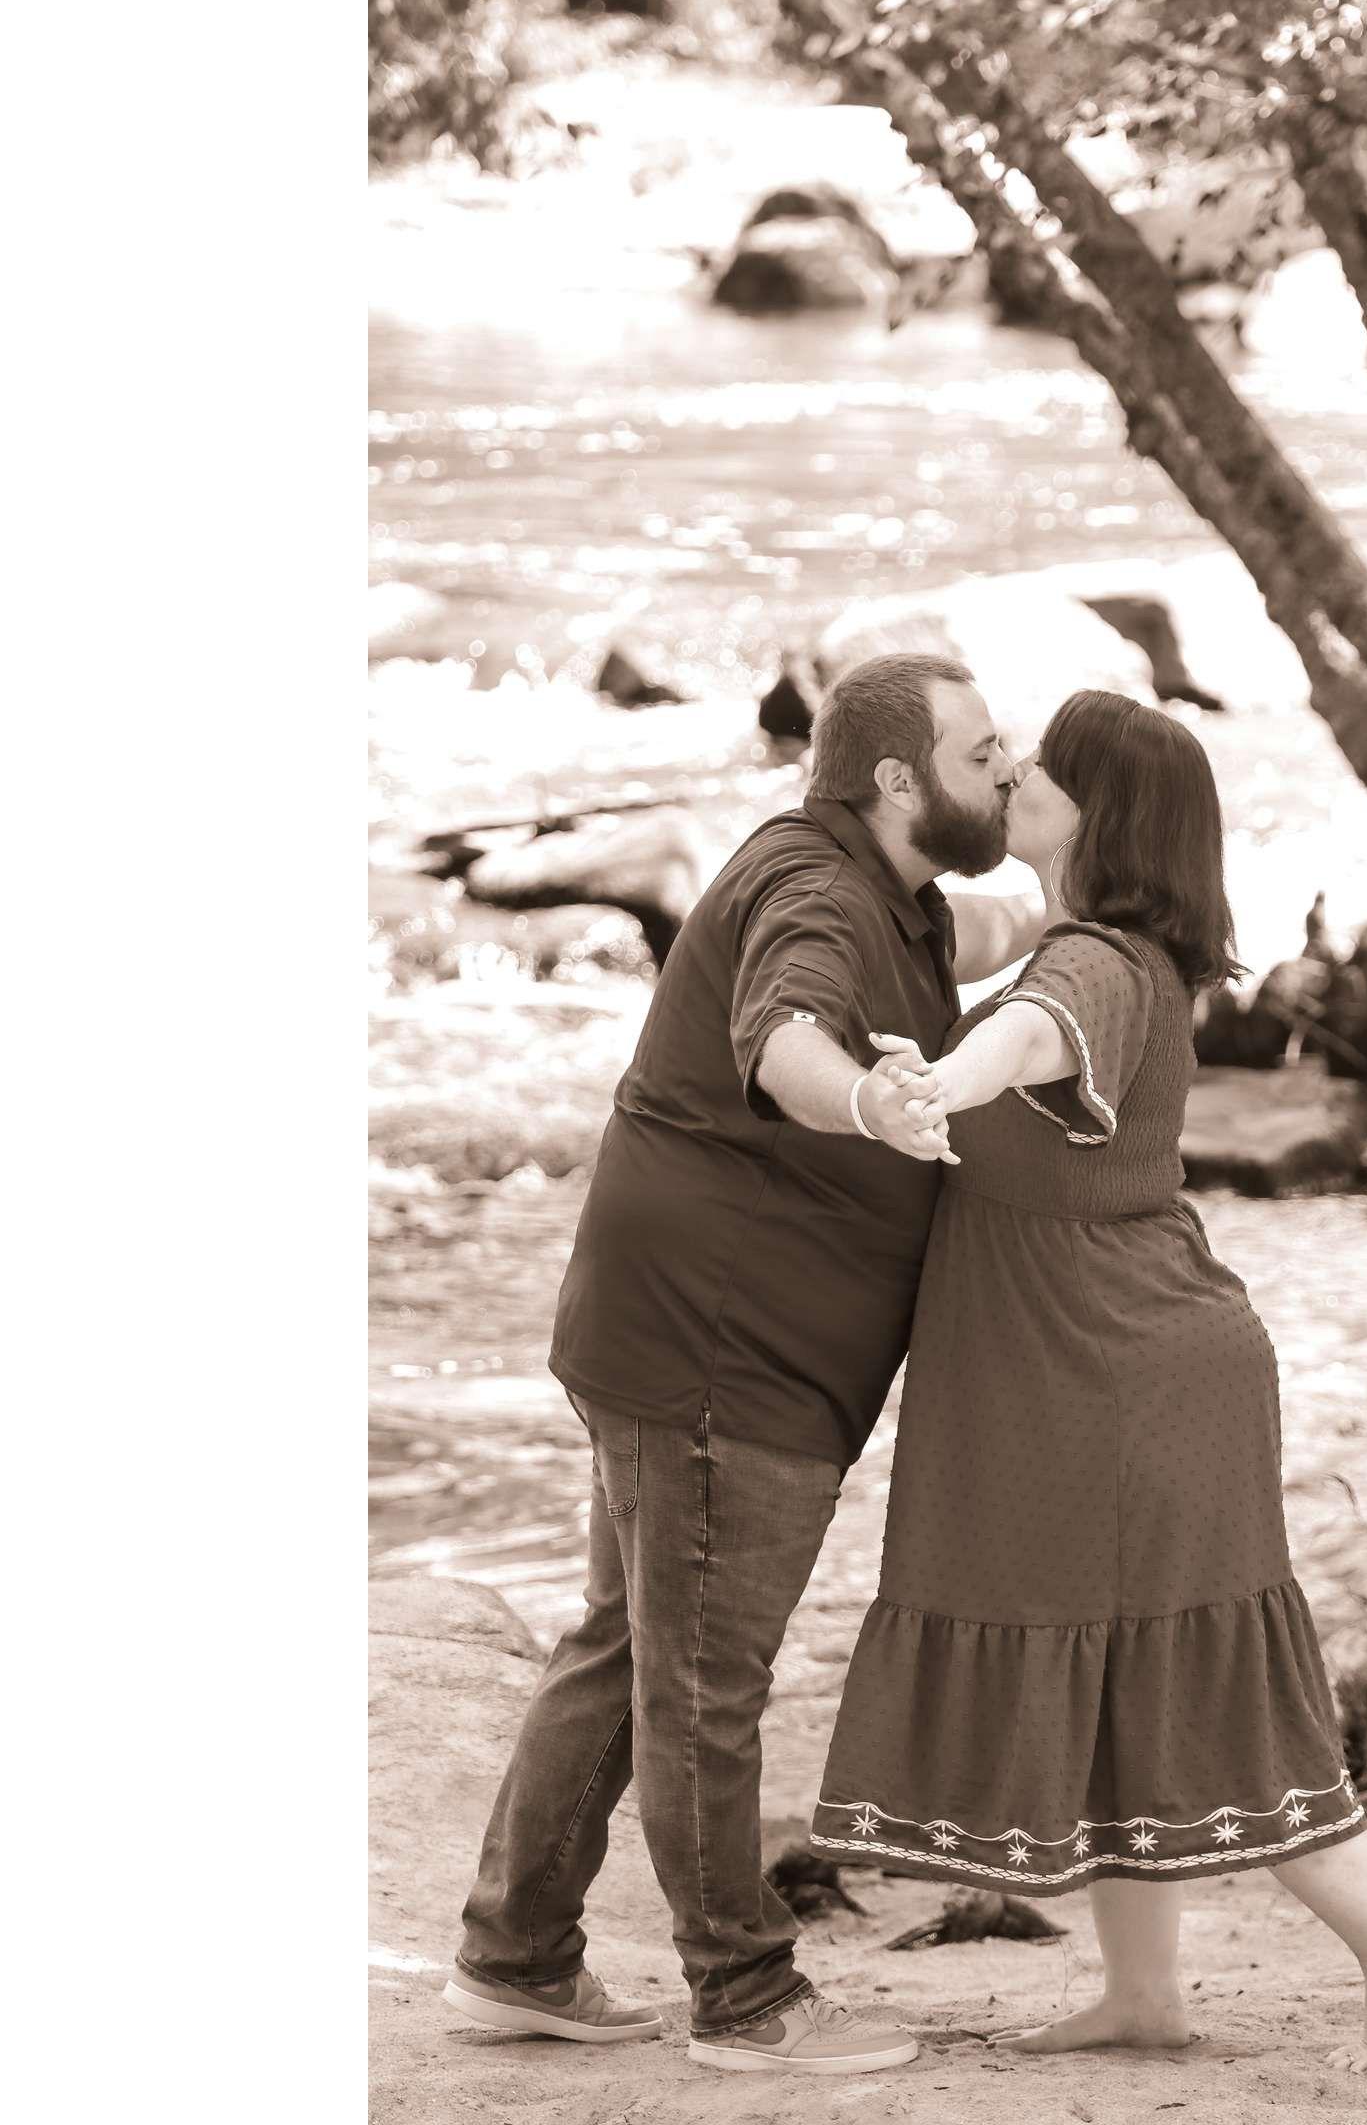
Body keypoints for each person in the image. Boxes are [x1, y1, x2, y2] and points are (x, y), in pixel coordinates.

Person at [811, 690, 1367, 2076]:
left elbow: (1035, 1037)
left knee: (1199, 1693)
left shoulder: (1098, 963)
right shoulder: (1099, 947)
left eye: (1044, 765)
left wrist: (941, 1081)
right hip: (1102, 1360)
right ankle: (1145, 1994)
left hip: (1122, 1370)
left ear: (1100, 814)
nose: (1016, 773)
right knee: (1130, 1679)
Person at [443, 652, 1042, 2077]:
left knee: (629, 1647)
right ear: (896, 780)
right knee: (704, 1680)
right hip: (722, 1353)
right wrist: (874, 1105)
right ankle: (747, 1997)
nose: (1009, 767)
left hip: (675, 1331)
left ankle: (516, 1958)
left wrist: (1073, 900)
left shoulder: (888, 886)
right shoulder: (817, 893)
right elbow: (783, 1039)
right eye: (983, 754)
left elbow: (976, 933)